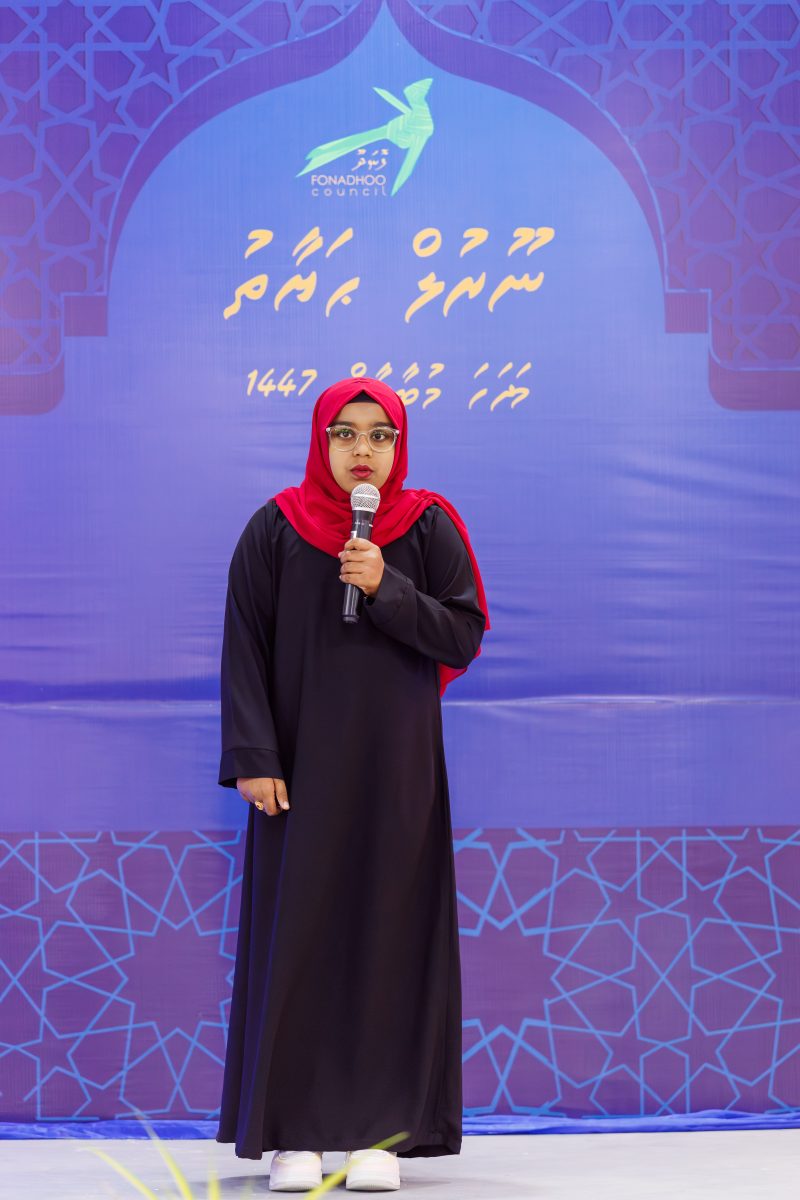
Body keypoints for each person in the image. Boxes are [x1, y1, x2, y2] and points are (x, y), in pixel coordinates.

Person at [214, 377, 491, 1192]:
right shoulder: (274, 528)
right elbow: (243, 647)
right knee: (298, 941)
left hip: (397, 772)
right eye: (345, 433)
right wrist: (253, 755)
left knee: (388, 940)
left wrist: (384, 586)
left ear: (398, 446)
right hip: (297, 775)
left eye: (379, 435)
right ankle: (294, 1134)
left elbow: (462, 634)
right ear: (321, 441)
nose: (362, 450)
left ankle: (379, 1137)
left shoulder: (427, 526)